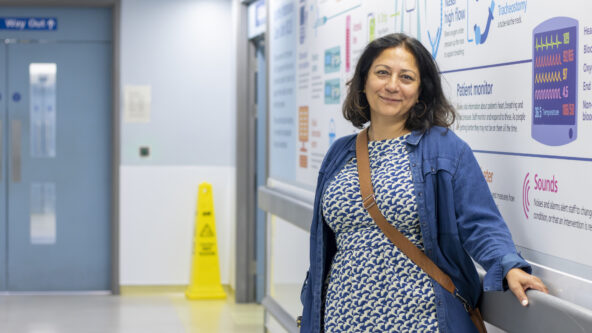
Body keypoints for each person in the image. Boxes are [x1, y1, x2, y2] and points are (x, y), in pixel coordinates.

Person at [298, 33, 548, 332]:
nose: (392, 85)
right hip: (343, 317)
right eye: (382, 73)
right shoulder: (339, 153)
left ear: (420, 91)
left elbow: (479, 222)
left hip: (422, 320)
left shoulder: (444, 149)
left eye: (406, 77)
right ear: (363, 82)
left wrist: (508, 264)